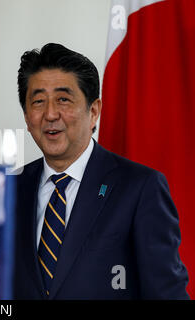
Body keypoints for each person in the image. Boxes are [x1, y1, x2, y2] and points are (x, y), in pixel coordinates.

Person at [13, 43, 189, 299]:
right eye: (38, 101)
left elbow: (166, 293)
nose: (50, 114)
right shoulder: (8, 189)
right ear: (28, 118)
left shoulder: (140, 188)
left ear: (93, 111)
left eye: (63, 99)